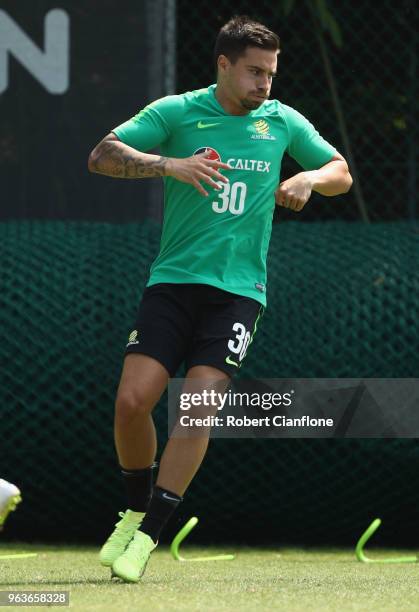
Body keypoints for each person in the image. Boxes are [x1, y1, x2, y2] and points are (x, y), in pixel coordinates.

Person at [88, 14, 352, 583]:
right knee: (133, 402)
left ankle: (150, 533)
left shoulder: (280, 122)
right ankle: (134, 507)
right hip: (173, 283)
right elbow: (102, 154)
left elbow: (341, 172)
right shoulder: (178, 112)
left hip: (237, 294)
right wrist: (168, 165)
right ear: (224, 65)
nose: (264, 84)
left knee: (197, 406)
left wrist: (309, 179)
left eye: (271, 73)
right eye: (254, 72)